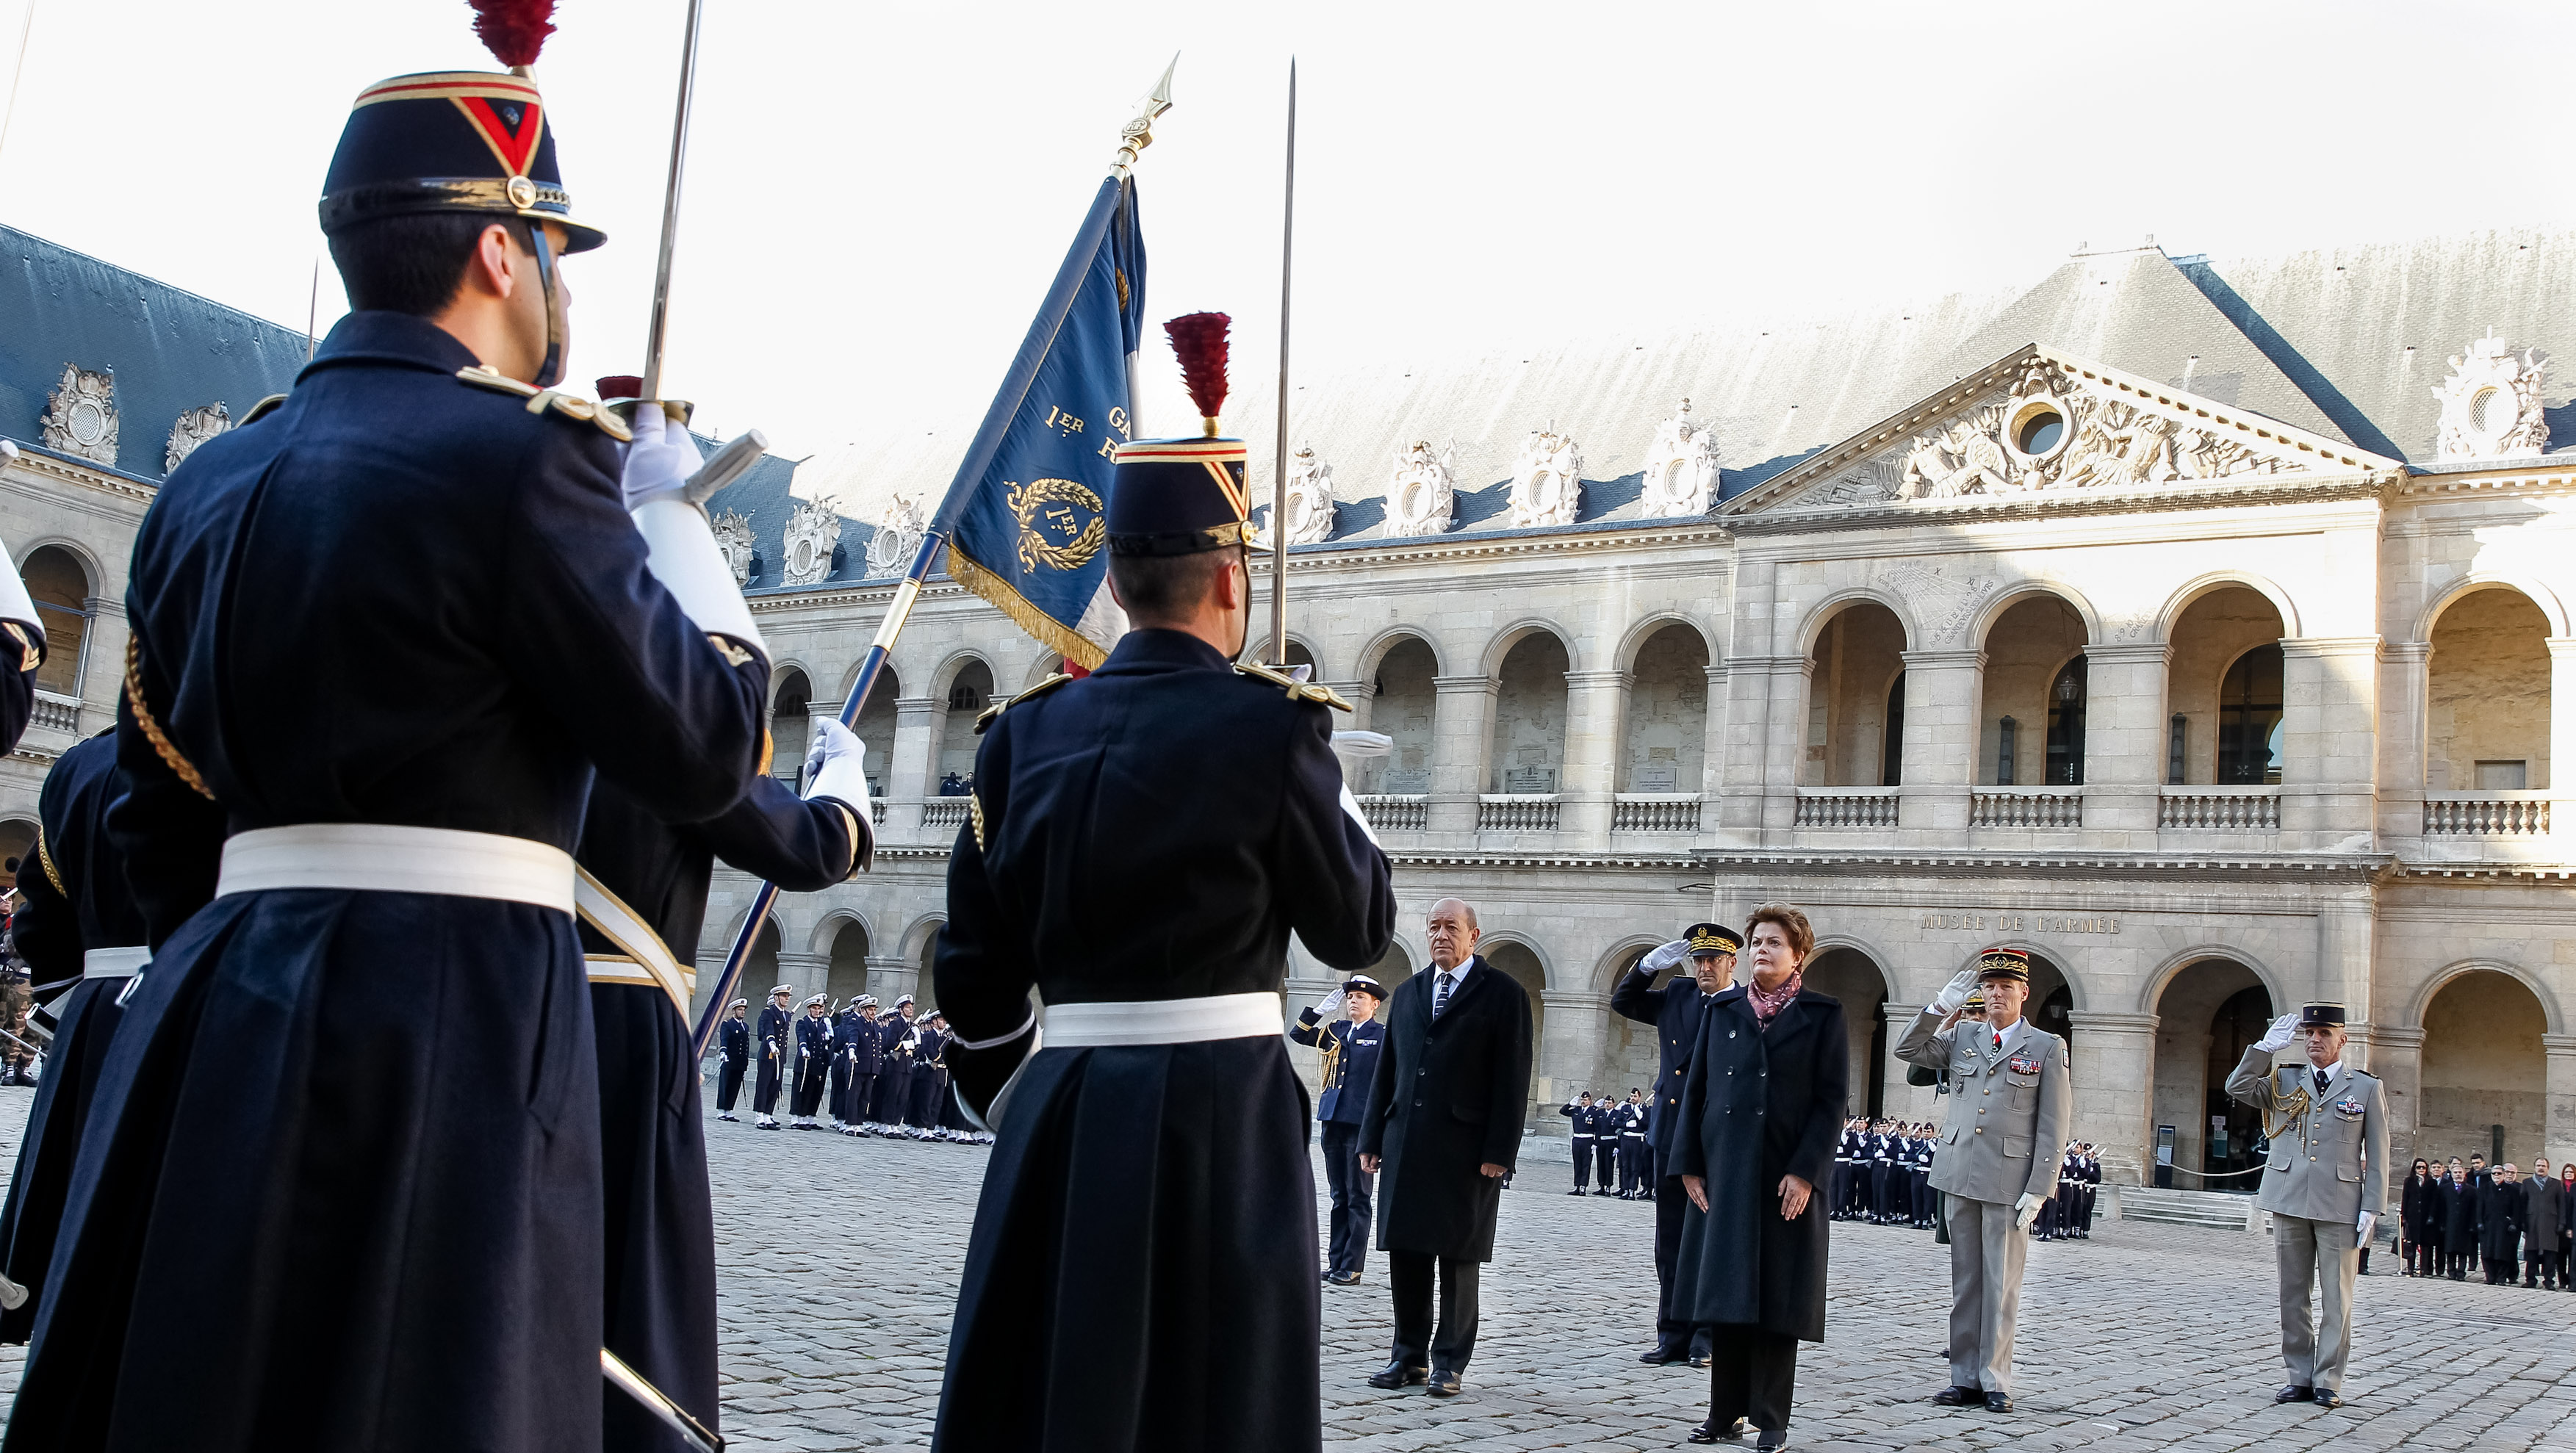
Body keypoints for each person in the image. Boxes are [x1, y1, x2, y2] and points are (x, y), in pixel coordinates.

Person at [10, 63, 774, 1449]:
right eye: (553, 256)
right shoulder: (535, 459)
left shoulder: (208, 480)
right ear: (499, 248)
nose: (558, 291)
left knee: (220, 1383)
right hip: (460, 1011)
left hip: (227, 997)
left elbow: (157, 806)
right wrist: (672, 541)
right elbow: (707, 748)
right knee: (432, 1382)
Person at [928, 417, 1395, 1453]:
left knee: (1055, 1379)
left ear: (1118, 580)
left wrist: (1014, 1090)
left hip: (1062, 1102)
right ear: (1229, 580)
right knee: (1214, 1393)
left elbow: (970, 966)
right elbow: (1357, 923)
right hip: (1221, 1105)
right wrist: (1330, 784)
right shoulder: (1277, 726)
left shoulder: (1019, 733)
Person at [572, 721, 870, 1452]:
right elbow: (815, 844)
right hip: (618, 1032)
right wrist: (841, 779)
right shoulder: (647, 702)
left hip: (476, 991)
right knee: (626, 1289)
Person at [1669, 904, 1846, 1450]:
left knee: (1775, 1300)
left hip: (1785, 1179)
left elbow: (1830, 1102)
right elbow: (1695, 1090)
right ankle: (1724, 1414)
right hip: (1725, 1174)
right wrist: (1688, 1163)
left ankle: (1771, 1418)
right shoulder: (1723, 1008)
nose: (1762, 950)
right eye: (1758, 942)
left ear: (1799, 955)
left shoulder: (1824, 1014)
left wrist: (1805, 1172)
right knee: (1725, 1296)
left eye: (1774, 943)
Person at [0, 729, 152, 1344]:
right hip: (221, 999)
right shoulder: (246, 726)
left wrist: (80, 1012)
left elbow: (41, 916)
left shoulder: (85, 761)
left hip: (99, 1013)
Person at [1360, 898, 1533, 1399]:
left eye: (1451, 928)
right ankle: (1407, 1356)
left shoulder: (1503, 994)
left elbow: (1512, 1078)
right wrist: (1372, 1137)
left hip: (1468, 1150)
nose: (1440, 936)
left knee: (1459, 1258)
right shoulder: (1411, 993)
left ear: (1473, 936)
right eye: (1433, 927)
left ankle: (1449, 1362)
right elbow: (1386, 1071)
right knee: (1407, 1255)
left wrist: (1501, 1149)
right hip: (1407, 1145)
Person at [1896, 948, 2072, 1414]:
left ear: (2023, 993)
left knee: (2001, 1285)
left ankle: (1994, 1377)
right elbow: (1909, 1051)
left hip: (2009, 1181)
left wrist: (2041, 1186)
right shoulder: (1962, 1034)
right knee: (1966, 1283)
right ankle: (1962, 1378)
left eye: (2005, 987)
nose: (1996, 994)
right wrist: (1938, 1008)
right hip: (1959, 1173)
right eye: (1989, 987)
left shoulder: (2045, 1047)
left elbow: (2054, 1124)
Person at [2224, 1002, 2386, 1408]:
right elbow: (2238, 1087)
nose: (2314, 1040)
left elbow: (2380, 1152)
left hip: (2340, 1203)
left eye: (2324, 1034)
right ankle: (2299, 1375)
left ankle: (2328, 1378)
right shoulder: (2285, 1079)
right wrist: (2264, 1049)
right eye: (2309, 1035)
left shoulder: (2365, 1087)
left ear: (2342, 1039)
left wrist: (2373, 1206)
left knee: (2337, 1297)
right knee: (2292, 1293)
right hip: (2290, 1197)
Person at [1611, 922, 1738, 1366]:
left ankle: (1706, 1335)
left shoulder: (1745, 1005)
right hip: (1671, 1131)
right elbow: (1623, 1002)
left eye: (1713, 960)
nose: (1704, 967)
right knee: (1670, 1242)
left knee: (1709, 1240)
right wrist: (1645, 968)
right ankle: (1671, 1333)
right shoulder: (1678, 995)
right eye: (1698, 959)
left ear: (1731, 963)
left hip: (1716, 1137)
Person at [1290, 973, 1390, 1286]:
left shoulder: (1382, 1035)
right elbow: (1298, 1034)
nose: (1352, 1002)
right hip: (1333, 1120)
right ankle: (1336, 1263)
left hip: (1361, 1124)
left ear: (1374, 1005)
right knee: (1339, 1196)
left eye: (1360, 998)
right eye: (1349, 997)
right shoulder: (1337, 1031)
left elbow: (1387, 1081)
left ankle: (1353, 1266)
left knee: (1358, 1196)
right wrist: (1319, 1011)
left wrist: (1379, 1132)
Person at [841, 995, 892, 1136]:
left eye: (874, 1009)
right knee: (853, 1096)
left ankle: (858, 1123)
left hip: (871, 1067)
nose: (873, 1012)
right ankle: (850, 1124)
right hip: (857, 1065)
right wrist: (852, 1050)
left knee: (865, 1097)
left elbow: (878, 1047)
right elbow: (853, 1037)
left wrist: (877, 1066)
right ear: (863, 1010)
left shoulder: (875, 1025)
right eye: (870, 1009)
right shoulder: (855, 1023)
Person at [791, 994, 835, 1128]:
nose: (817, 1011)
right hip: (804, 1063)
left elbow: (825, 1044)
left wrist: (830, 1034)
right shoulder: (803, 1023)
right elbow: (802, 1037)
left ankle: (807, 1117)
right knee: (800, 1090)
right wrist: (804, 1049)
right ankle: (795, 1117)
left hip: (817, 1064)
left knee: (811, 1091)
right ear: (809, 1009)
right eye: (814, 1008)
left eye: (819, 1008)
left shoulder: (821, 1026)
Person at [754, 986, 794, 1129]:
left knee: (775, 1085)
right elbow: (768, 1030)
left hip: (780, 1055)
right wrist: (772, 1043)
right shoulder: (768, 1013)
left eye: (788, 996)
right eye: (784, 996)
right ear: (776, 997)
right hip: (768, 1053)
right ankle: (759, 1115)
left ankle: (768, 1114)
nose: (787, 999)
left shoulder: (787, 1015)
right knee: (763, 1085)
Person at [2480, 1163, 2525, 1284]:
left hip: (2504, 1227)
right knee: (2487, 1253)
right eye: (2494, 1173)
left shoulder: (2513, 1190)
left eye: (2499, 1173)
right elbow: (2480, 1207)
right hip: (2488, 1225)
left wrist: (2514, 1223)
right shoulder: (2485, 1188)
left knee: (2502, 1253)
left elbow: (2517, 1209)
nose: (2496, 1175)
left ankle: (2501, 1278)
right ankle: (2490, 1277)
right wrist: (2479, 1222)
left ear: (2504, 1175)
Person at [2525, 1158, 2563, 1290]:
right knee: (2531, 1252)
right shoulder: (2527, 1183)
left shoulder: (2556, 1184)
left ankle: (2549, 1281)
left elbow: (2561, 1205)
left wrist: (2561, 1223)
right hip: (2532, 1223)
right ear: (2534, 1167)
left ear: (2548, 1168)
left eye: (2543, 1166)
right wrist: (2522, 1222)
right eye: (2538, 1165)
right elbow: (2523, 1204)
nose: (2541, 1168)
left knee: (2550, 1254)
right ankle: (2530, 1279)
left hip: (2550, 1223)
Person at [2438, 1158, 2478, 1280]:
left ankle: (2461, 1273)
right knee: (2450, 1250)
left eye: (2460, 1172)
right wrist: (2442, 1223)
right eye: (2456, 1173)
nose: (2458, 1175)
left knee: (2463, 1251)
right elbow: (2441, 1207)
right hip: (2450, 1224)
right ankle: (2451, 1272)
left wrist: (2472, 1225)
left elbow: (2475, 1209)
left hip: (2465, 1225)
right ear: (2452, 1174)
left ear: (2464, 1174)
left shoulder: (2472, 1190)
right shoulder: (2445, 1189)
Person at [2397, 1159, 2437, 1276]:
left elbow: (2434, 1201)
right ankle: (2410, 1268)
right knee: (2411, 1244)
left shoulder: (2431, 1182)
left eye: (2423, 1168)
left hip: (2425, 1217)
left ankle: (2423, 1270)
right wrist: (2404, 1216)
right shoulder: (2409, 1181)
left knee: (2425, 1245)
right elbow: (2405, 1198)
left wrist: (2432, 1216)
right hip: (2412, 1216)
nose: (2421, 1170)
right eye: (2419, 1167)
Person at [1560, 1092, 1602, 1196]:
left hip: (1588, 1140)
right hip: (1577, 1139)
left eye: (1586, 1100)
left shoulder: (1594, 1112)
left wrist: (1596, 1143)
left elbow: (1598, 1129)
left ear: (1590, 1101)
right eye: (1582, 1100)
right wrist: (1569, 1104)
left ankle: (1583, 1187)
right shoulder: (1576, 1110)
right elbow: (1563, 1111)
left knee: (1586, 1164)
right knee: (1577, 1164)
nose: (1583, 1102)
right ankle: (1577, 1186)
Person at [716, 1000, 752, 1121]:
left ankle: (729, 1109)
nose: (742, 1012)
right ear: (734, 1011)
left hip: (740, 1062)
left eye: (744, 1010)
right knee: (725, 1084)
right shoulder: (728, 1024)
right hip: (729, 1060)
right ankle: (722, 1110)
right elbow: (724, 1039)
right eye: (740, 1010)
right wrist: (723, 1052)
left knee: (735, 1086)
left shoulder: (745, 1026)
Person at [1616, 1089, 1651, 1199]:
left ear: (1639, 1097)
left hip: (1637, 1140)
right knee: (1625, 1165)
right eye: (1632, 1096)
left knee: (1635, 1166)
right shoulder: (1625, 1109)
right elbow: (1617, 1122)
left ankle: (1632, 1190)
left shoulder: (1645, 1110)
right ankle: (1625, 1189)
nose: (1633, 1098)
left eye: (1635, 1096)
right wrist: (1626, 1124)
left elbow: (1648, 1125)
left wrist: (1640, 1118)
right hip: (1626, 1138)